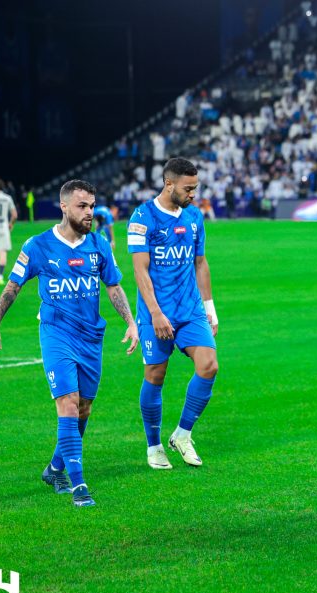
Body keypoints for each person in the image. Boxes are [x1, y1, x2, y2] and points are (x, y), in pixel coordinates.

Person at [0, 179, 139, 507]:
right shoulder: (37, 246)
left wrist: (130, 322)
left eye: (93, 206)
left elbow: (113, 287)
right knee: (68, 402)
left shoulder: (98, 245)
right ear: (64, 207)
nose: (89, 212)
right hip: (56, 333)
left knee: (84, 407)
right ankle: (78, 485)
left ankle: (55, 468)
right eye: (83, 206)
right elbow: (13, 287)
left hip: (91, 336)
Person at [127, 157, 219, 470]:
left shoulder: (194, 216)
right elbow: (140, 270)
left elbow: (200, 263)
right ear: (169, 184)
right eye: (188, 188)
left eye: (196, 187)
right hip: (157, 312)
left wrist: (209, 308)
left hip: (190, 310)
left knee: (209, 366)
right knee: (156, 375)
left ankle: (182, 434)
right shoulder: (143, 218)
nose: (194, 193)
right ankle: (154, 447)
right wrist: (154, 313)